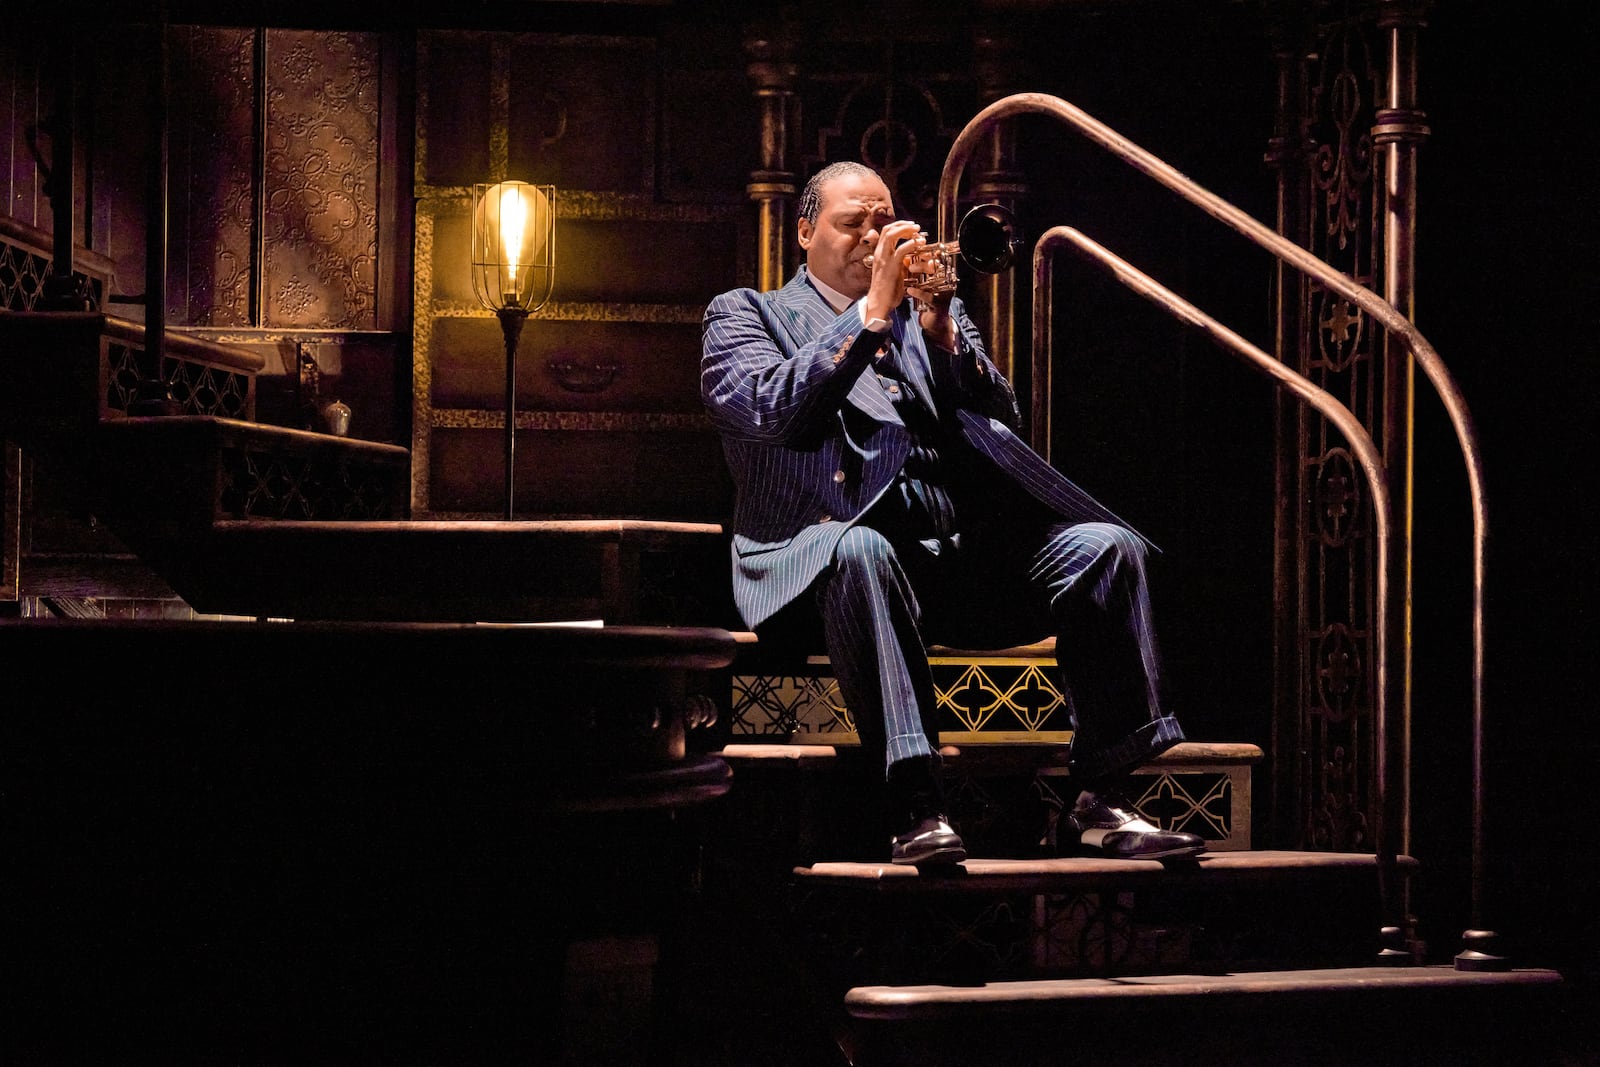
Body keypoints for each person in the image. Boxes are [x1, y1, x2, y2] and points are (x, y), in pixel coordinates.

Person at [701, 161, 1204, 866]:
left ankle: (1101, 796)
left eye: (884, 221)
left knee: (1105, 547)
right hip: (818, 565)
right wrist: (868, 316)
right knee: (862, 549)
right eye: (854, 223)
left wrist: (940, 335)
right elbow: (769, 410)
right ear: (806, 231)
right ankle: (915, 800)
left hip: (947, 561)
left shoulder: (932, 317)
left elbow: (1004, 422)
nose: (875, 237)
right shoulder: (745, 314)